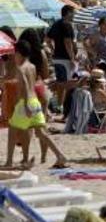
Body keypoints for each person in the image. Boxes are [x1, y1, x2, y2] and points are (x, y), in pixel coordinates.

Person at [7, 40, 67, 169]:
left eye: (15, 54)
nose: (14, 57)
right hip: (35, 102)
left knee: (12, 130)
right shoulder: (32, 67)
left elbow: (24, 87)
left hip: (25, 102)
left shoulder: (20, 68)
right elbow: (31, 85)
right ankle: (60, 155)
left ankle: (9, 162)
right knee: (40, 133)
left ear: (19, 53)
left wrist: (25, 105)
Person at [47, 5, 77, 107]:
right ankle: (66, 107)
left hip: (57, 57)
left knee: (60, 82)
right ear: (68, 13)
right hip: (65, 58)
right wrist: (72, 58)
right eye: (73, 12)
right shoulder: (67, 24)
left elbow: (47, 39)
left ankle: (60, 105)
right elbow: (67, 42)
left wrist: (53, 50)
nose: (74, 15)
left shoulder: (56, 24)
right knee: (67, 83)